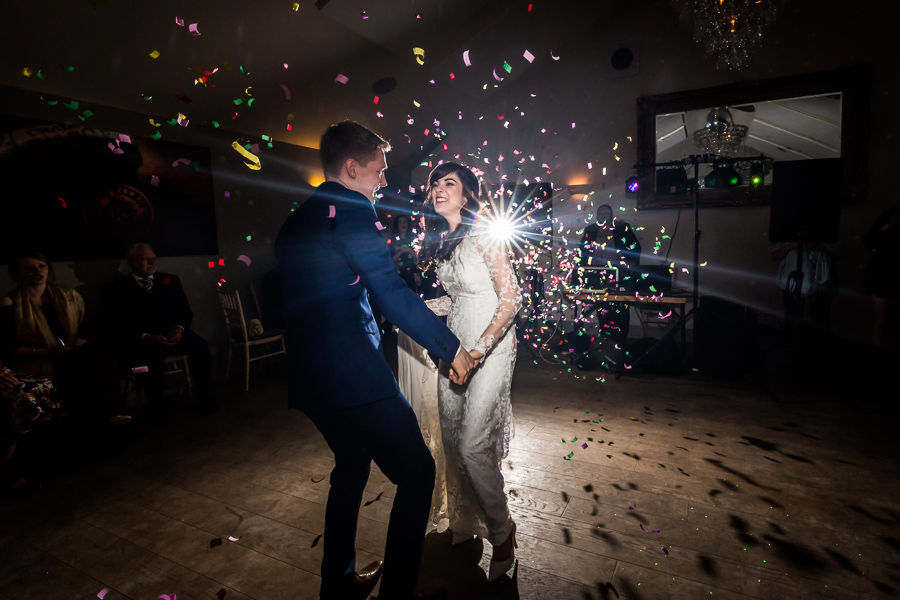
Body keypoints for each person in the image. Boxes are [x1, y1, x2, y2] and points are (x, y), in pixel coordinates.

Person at [274, 121, 477, 600]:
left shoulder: (296, 217)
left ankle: (338, 586)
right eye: (378, 169)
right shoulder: (351, 211)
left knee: (351, 467)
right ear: (351, 167)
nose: (383, 180)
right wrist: (450, 348)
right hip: (353, 377)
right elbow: (389, 292)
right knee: (418, 473)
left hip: (310, 378)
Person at [410, 161, 523, 582]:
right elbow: (457, 300)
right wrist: (414, 309)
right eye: (435, 183)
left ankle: (502, 532)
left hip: (490, 346)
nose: (439, 189)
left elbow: (512, 298)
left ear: (468, 192)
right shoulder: (442, 241)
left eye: (449, 183)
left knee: (474, 446)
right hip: (454, 347)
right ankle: (464, 520)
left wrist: (478, 350)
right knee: (453, 440)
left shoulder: (483, 232)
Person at [1, 251, 127, 426]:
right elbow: (11, 349)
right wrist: (50, 351)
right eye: (30, 268)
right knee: (75, 367)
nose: (37, 271)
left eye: (41, 266)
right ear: (17, 273)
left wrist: (73, 348)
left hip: (71, 352)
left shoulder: (68, 295)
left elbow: (85, 330)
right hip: (40, 358)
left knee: (102, 349)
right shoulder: (10, 303)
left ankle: (113, 413)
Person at [106, 244, 214, 417]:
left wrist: (179, 330)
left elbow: (185, 311)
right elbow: (119, 323)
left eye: (154, 258)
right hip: (145, 342)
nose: (152, 261)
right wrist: (147, 336)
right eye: (146, 258)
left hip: (174, 335)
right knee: (146, 365)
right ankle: (157, 409)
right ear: (132, 262)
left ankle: (206, 396)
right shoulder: (118, 288)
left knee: (201, 347)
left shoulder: (170, 281)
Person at [862, 207, 900, 369]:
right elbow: (869, 240)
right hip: (883, 273)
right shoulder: (892, 214)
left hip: (892, 272)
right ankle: (881, 365)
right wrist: (888, 226)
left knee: (892, 322)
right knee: (882, 320)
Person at [390, 215, 418, 291]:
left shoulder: (415, 239)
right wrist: (400, 252)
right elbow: (392, 260)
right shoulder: (392, 242)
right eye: (401, 222)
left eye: (405, 222)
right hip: (399, 276)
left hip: (413, 275)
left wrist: (408, 250)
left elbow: (419, 257)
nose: (403, 224)